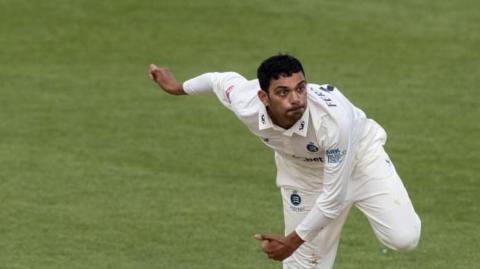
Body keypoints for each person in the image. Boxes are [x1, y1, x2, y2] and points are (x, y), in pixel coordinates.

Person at [148, 54, 421, 269]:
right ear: (263, 97)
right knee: (304, 266)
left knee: (404, 239)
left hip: (361, 159)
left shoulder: (333, 121)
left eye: (301, 88)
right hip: (302, 172)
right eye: (283, 92)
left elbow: (333, 197)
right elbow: (218, 80)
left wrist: (292, 242)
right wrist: (177, 88)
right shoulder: (246, 102)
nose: (296, 99)